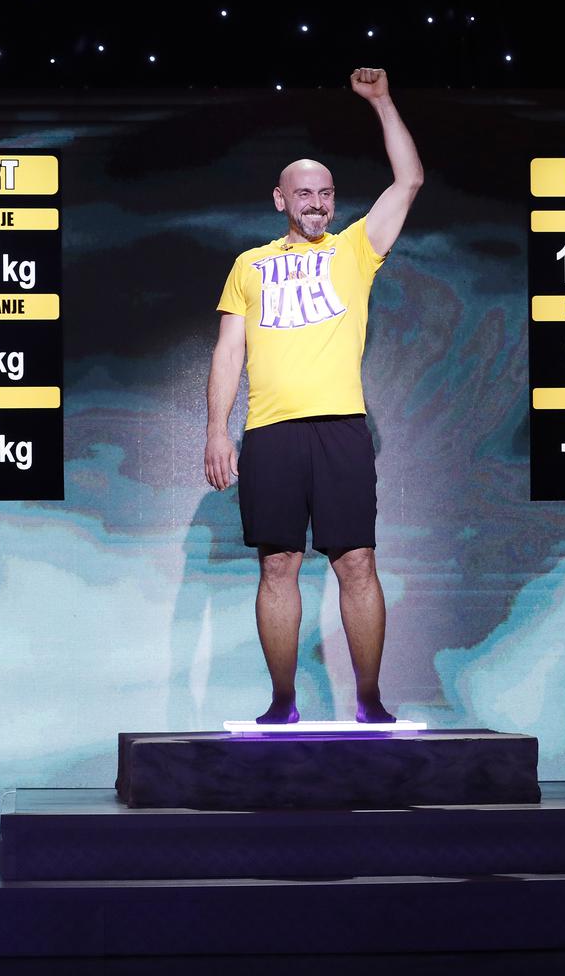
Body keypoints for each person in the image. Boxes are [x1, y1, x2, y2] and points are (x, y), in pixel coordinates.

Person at [204, 68, 423, 725]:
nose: (316, 203)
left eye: (325, 193)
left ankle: (369, 700)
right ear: (280, 200)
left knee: (356, 562)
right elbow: (228, 352)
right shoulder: (248, 265)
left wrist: (382, 101)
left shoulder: (355, 249)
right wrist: (216, 430)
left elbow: (408, 180)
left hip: (340, 429)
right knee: (277, 566)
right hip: (270, 433)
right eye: (304, 193)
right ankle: (282, 703)